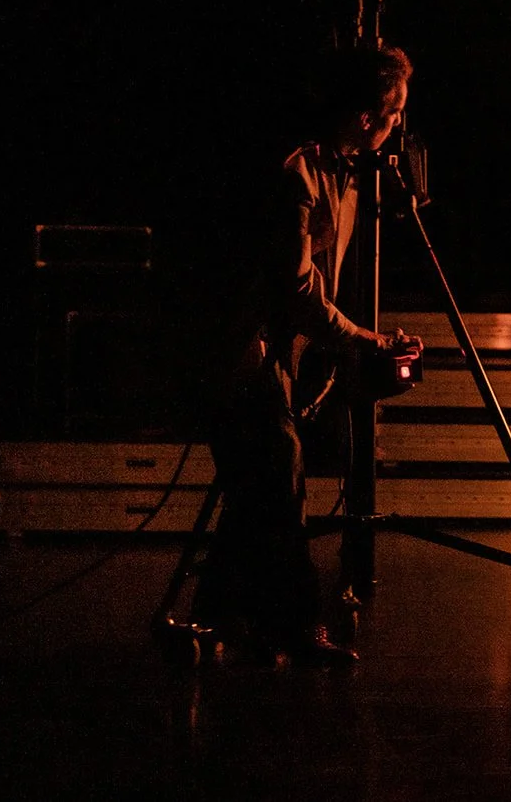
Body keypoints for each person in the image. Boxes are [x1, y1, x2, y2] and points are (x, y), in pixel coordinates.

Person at [193, 44, 422, 663]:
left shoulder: (341, 174)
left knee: (258, 484)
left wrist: (346, 348)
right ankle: (291, 623)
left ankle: (212, 616)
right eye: (395, 113)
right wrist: (366, 341)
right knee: (279, 465)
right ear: (367, 118)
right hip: (238, 349)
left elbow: (315, 284)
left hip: (268, 351)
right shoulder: (298, 172)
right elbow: (296, 287)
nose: (400, 126)